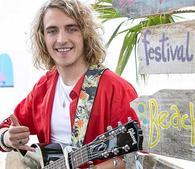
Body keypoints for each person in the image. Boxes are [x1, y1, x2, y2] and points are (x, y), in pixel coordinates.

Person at [0, 0, 139, 168]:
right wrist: (7, 138)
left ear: (85, 34)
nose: (61, 39)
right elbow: (7, 127)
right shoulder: (44, 87)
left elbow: (136, 156)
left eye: (71, 29)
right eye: (52, 31)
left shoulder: (116, 89)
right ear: (43, 38)